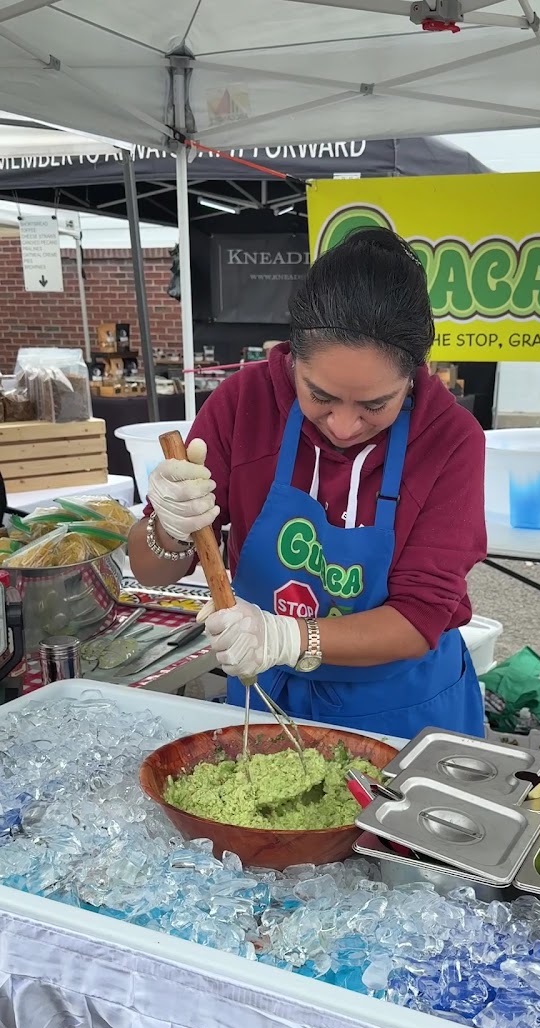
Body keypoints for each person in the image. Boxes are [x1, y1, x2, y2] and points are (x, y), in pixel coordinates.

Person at [128, 228, 487, 740]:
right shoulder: (242, 404)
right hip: (266, 697)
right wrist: (169, 527)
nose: (343, 425)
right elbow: (149, 567)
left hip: (403, 710)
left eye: (374, 405)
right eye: (320, 395)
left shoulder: (449, 439)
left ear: (415, 374)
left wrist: (286, 636)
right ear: (291, 357)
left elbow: (420, 615)